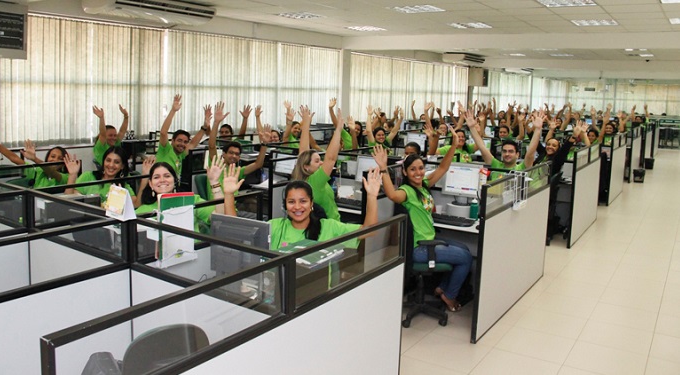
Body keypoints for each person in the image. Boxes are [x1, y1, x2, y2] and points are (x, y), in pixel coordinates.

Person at [373, 143, 472, 312]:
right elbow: (392, 195)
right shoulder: (407, 191)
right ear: (405, 172)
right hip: (420, 248)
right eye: (412, 169)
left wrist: (454, 145)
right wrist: (383, 168)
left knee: (464, 248)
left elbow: (443, 167)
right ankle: (449, 295)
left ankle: (442, 288)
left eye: (420, 168)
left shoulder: (424, 184)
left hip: (430, 240)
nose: (418, 173)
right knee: (465, 258)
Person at [222, 164, 381, 250]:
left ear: (311, 204)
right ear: (285, 205)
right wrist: (228, 195)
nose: (297, 207)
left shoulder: (328, 227)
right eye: (291, 202)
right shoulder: (275, 226)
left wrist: (372, 197)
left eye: (303, 201)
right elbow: (236, 230)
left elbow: (370, 230)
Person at [135, 156, 224, 232]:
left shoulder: (191, 200)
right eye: (156, 177)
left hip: (194, 250)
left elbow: (220, 218)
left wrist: (214, 182)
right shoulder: (143, 210)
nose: (162, 180)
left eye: (167, 176)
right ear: (150, 184)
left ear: (175, 181)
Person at [206, 102, 272, 199]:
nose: (234, 156)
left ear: (239, 157)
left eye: (237, 154)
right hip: (218, 206)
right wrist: (216, 123)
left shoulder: (236, 171)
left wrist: (264, 144)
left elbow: (258, 164)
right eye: (231, 153)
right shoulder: (216, 165)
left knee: (256, 203)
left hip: (233, 205)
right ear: (223, 154)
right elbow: (211, 146)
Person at [292, 103, 343, 221]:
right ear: (306, 167)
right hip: (332, 227)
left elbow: (303, 153)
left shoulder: (301, 180)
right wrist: (338, 130)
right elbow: (330, 159)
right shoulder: (315, 181)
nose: (321, 163)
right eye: (317, 161)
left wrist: (305, 126)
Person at [0, 123, 69, 188]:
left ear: (63, 163)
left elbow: (52, 172)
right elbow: (14, 158)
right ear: (47, 157)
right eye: (53, 156)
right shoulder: (37, 170)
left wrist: (34, 159)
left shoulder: (66, 177)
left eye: (60, 158)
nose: (55, 160)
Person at [465, 106, 540, 172]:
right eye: (504, 151)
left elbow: (530, 153)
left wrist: (538, 129)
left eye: (511, 151)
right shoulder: (496, 165)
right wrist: (472, 128)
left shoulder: (522, 167)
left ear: (517, 154)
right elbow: (482, 147)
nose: (507, 154)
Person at [63, 146, 139, 207]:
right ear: (103, 162)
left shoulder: (122, 186)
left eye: (116, 162)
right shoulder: (88, 176)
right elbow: (69, 199)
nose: (111, 165)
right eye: (108, 160)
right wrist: (72, 175)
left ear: (122, 166)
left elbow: (136, 204)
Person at [154, 94, 206, 181]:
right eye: (179, 140)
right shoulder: (166, 150)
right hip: (160, 186)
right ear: (172, 141)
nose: (182, 144)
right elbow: (163, 133)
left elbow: (193, 143)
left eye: (185, 142)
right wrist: (173, 111)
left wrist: (204, 127)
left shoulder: (180, 155)